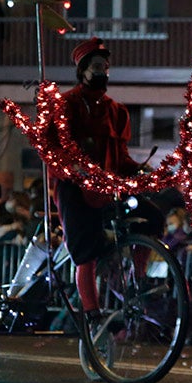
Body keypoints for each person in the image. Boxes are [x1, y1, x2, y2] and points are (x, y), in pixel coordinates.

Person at [48, 36, 146, 326]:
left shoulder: (117, 111)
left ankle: (137, 284)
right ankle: (92, 313)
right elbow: (52, 152)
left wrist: (141, 171)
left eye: (105, 66)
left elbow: (122, 157)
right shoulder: (65, 105)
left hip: (110, 189)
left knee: (149, 217)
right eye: (96, 66)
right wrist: (76, 170)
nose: (102, 71)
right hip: (76, 189)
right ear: (82, 71)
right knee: (85, 250)